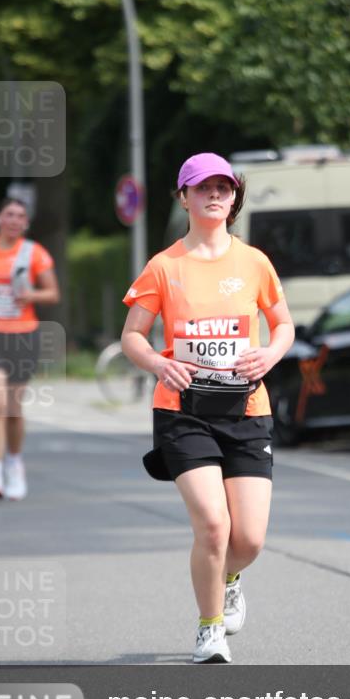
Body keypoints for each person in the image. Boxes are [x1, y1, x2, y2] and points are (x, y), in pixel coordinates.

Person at [121, 152, 294, 663]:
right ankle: (209, 627)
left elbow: (284, 326)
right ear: (185, 197)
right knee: (214, 527)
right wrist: (158, 362)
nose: (215, 194)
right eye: (203, 187)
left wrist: (271, 352)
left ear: (235, 196)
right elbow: (132, 337)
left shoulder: (255, 262)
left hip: (246, 409)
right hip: (183, 410)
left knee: (251, 539)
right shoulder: (165, 266)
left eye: (224, 187)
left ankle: (231, 577)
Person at [0, 198, 60, 501]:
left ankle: (14, 462)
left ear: (26, 223)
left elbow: (52, 293)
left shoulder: (34, 252)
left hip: (23, 335)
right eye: (9, 214)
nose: (14, 220)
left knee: (12, 409)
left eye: (21, 216)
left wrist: (31, 294)